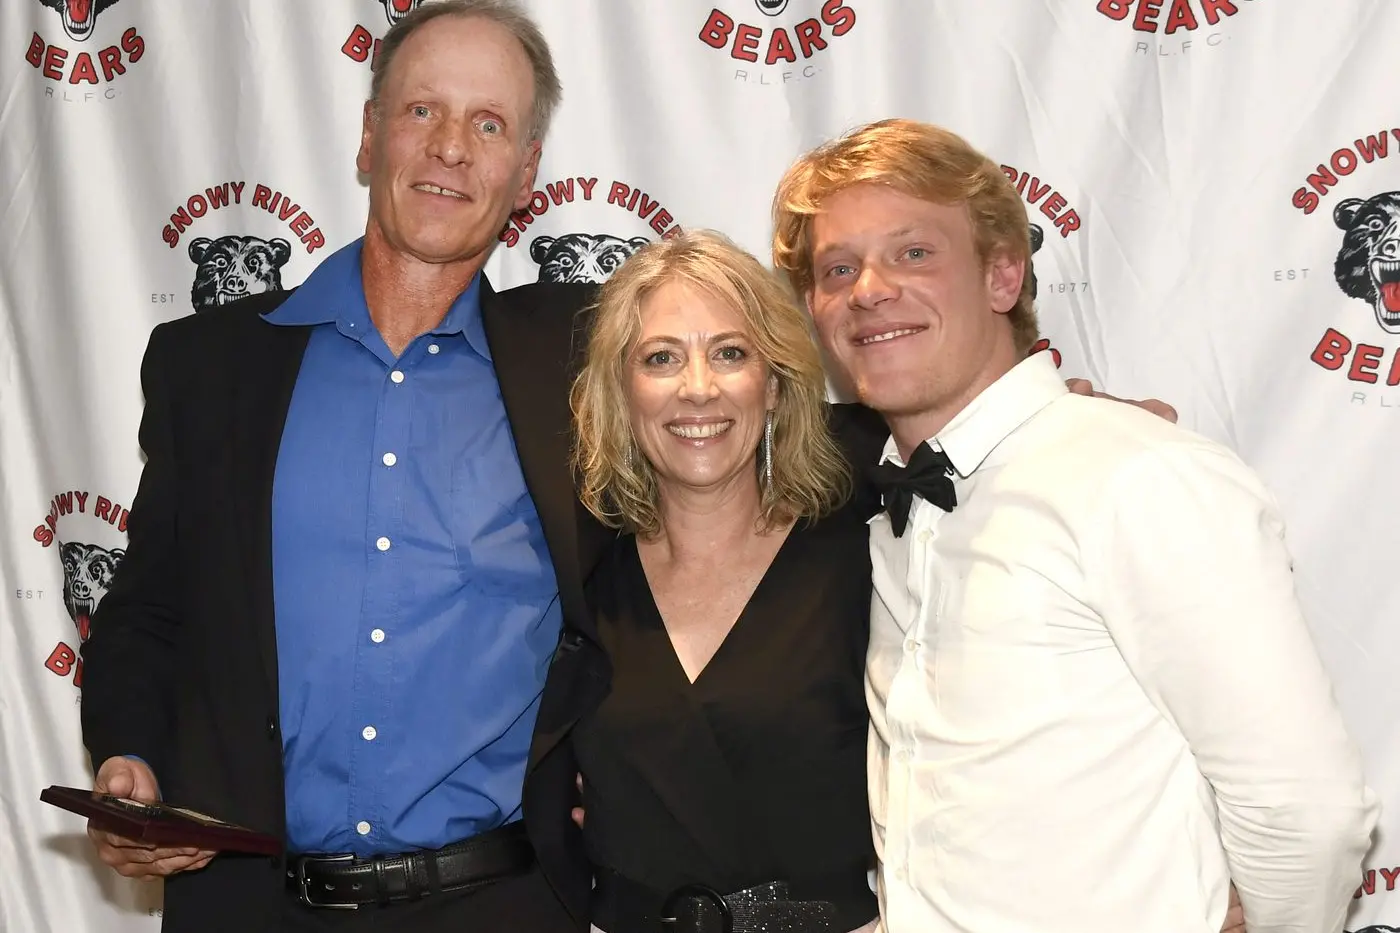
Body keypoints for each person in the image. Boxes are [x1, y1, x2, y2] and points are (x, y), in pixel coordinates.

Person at [770, 117, 1380, 933]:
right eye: (837, 268)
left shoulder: (1140, 478)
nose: (869, 289)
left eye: (914, 252)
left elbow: (1305, 810)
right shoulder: (887, 514)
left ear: (1002, 276)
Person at [79, 2, 610, 930]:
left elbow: (657, 595)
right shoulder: (209, 367)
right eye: (421, 111)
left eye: (489, 124)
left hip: (503, 906)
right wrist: (131, 758)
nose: (450, 147)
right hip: (248, 901)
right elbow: (147, 610)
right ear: (369, 137)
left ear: (525, 172)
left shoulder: (582, 365)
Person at [566, 229, 886, 933]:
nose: (699, 388)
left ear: (772, 385)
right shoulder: (581, 578)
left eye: (730, 353)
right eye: (661, 358)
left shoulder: (865, 546)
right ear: (623, 390)